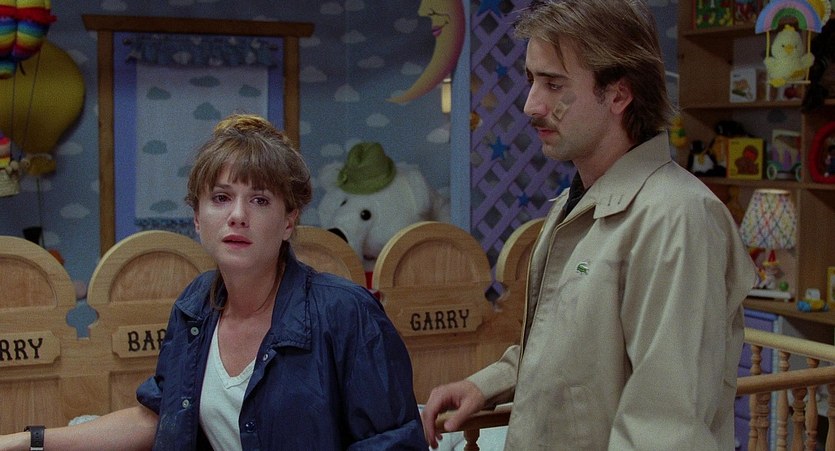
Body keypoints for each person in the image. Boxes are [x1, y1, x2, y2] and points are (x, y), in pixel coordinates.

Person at [420, 1, 756, 450]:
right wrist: (488, 383)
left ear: (618, 94)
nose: (531, 105)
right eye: (531, 79)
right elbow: (572, 351)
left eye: (554, 84)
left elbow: (664, 427)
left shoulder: (677, 220)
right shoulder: (577, 203)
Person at [0, 114, 426, 450]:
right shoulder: (195, 307)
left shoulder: (347, 313)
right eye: (221, 198)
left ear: (288, 220)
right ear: (197, 218)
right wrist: (28, 440)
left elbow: (393, 443)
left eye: (259, 200)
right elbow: (157, 417)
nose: (237, 215)